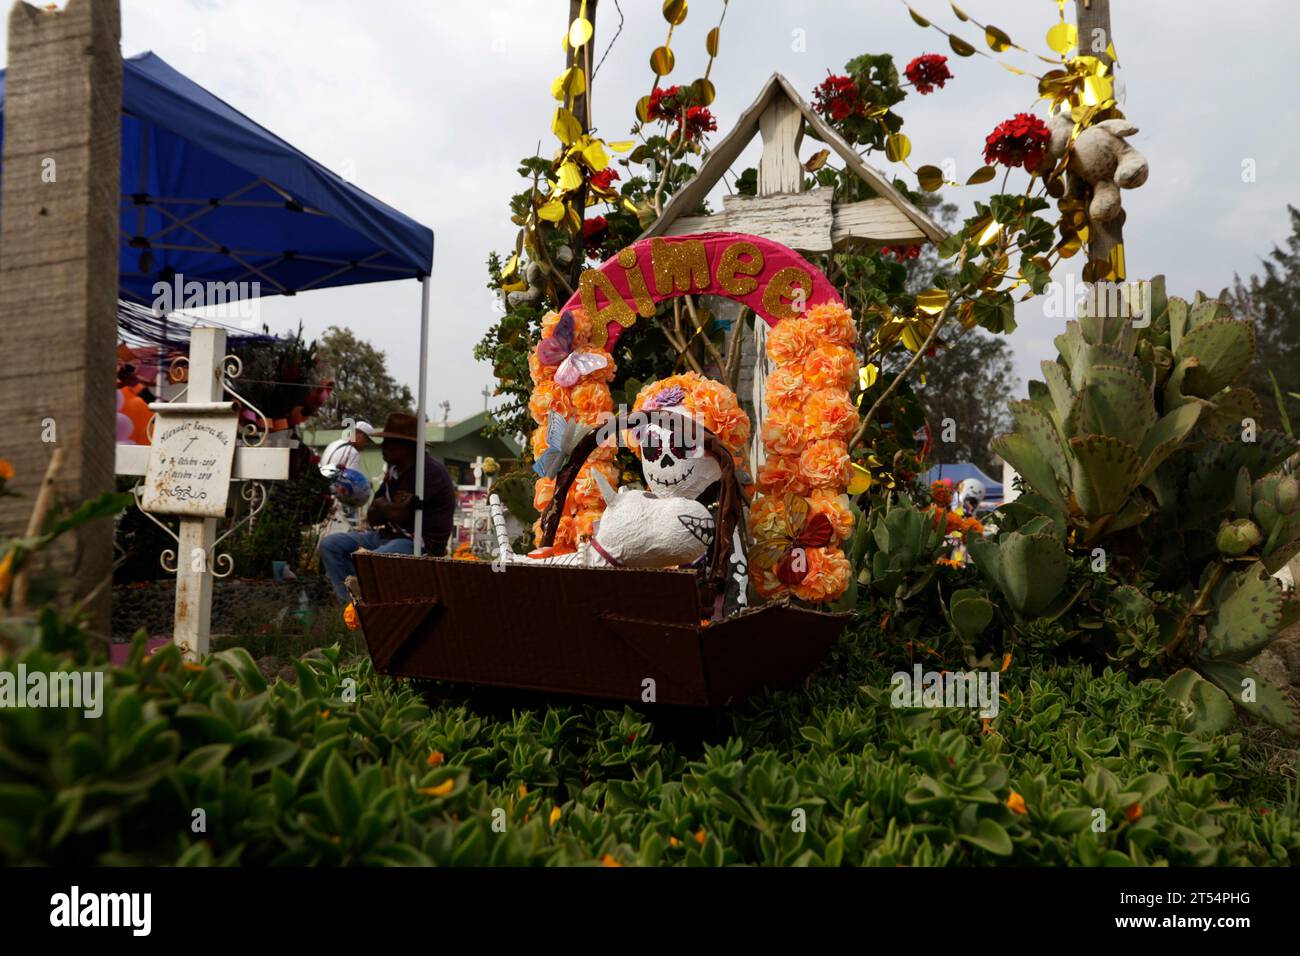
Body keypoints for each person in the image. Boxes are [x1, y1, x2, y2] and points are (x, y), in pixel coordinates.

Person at [320, 411, 457, 601]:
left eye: (389, 442)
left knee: (369, 561)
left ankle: (371, 602)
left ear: (407, 446)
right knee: (331, 545)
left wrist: (383, 506)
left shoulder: (429, 472)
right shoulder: (394, 471)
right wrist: (385, 506)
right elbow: (374, 515)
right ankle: (351, 603)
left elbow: (398, 514)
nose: (383, 447)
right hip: (388, 536)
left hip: (420, 543)